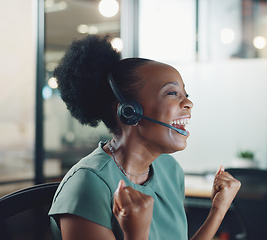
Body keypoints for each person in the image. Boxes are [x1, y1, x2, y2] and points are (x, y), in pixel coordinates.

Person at [48, 34, 241, 240]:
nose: (188, 103)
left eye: (185, 94)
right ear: (128, 111)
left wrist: (218, 210)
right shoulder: (87, 184)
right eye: (172, 93)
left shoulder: (170, 170)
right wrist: (136, 234)